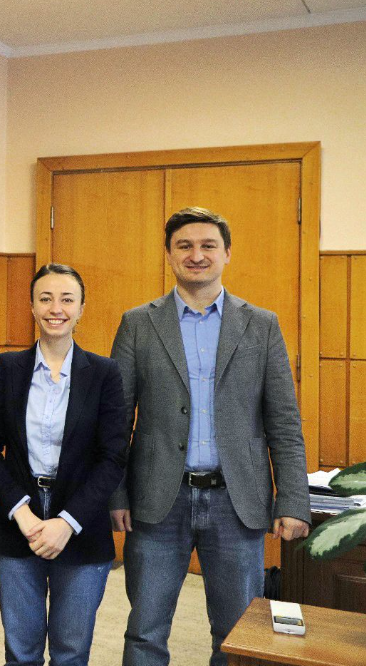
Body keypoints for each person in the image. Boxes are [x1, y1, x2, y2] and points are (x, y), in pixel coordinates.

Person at [111, 207, 311, 666]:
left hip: (235, 503)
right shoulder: (138, 323)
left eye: (208, 246)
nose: (196, 255)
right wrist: (116, 494)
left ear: (227, 254)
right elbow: (117, 421)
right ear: (168, 254)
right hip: (157, 502)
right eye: (184, 245)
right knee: (144, 630)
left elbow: (284, 421)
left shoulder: (261, 324)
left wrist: (292, 499)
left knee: (236, 634)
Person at [0, 264, 127, 666]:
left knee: (71, 652)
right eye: (45, 299)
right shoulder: (7, 368)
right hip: (17, 524)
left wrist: (67, 522)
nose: (55, 308)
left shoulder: (104, 373)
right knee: (21, 652)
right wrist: (21, 513)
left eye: (66, 299)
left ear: (81, 308)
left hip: (82, 524)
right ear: (32, 306)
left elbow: (113, 456)